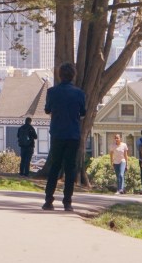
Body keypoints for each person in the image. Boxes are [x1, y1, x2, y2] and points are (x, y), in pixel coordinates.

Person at [42, 62, 87, 212]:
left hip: (57, 133)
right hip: (73, 134)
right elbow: (83, 112)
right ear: (73, 75)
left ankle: (48, 200)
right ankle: (67, 201)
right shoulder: (79, 93)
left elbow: (47, 109)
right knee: (70, 168)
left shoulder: (52, 92)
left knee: (55, 166)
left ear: (59, 75)